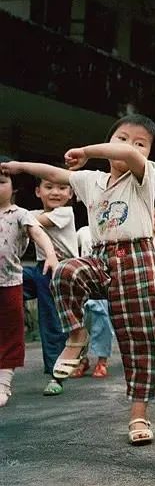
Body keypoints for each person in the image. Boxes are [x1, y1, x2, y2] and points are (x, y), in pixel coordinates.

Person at [1, 114, 155, 445]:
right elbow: (55, 174)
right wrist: (19, 166)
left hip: (136, 259)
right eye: (121, 138)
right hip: (101, 256)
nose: (130, 147)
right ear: (110, 142)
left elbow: (131, 157)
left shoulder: (143, 176)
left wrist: (90, 150)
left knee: (139, 339)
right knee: (64, 272)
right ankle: (77, 336)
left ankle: (138, 414)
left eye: (140, 143)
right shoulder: (91, 181)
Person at [0, 159, 58, 407]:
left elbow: (38, 233)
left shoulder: (19, 214)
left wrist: (51, 253)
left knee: (11, 333)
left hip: (10, 282)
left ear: (13, 187)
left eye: (1, 182)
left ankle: (3, 384)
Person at [24, 177, 76, 396]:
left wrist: (15, 214)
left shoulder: (66, 213)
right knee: (11, 282)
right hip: (40, 268)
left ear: (71, 194)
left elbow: (32, 222)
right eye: (49, 187)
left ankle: (57, 375)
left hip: (62, 271)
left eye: (62, 188)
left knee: (51, 321)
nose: (56, 192)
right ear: (38, 191)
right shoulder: (31, 214)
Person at [71, 225, 114, 378]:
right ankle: (81, 360)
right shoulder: (83, 231)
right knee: (80, 325)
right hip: (82, 284)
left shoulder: (113, 230)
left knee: (103, 325)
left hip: (103, 286)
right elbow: (71, 247)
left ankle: (102, 361)